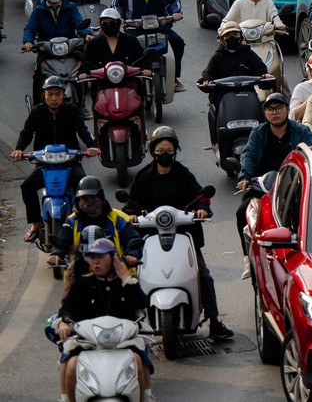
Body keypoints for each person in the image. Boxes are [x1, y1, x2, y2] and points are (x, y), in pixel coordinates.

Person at [128, 127, 229, 339]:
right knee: (133, 276)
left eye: (169, 149)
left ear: (176, 151)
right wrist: (133, 216)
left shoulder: (183, 174)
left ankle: (214, 321)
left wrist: (202, 208)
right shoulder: (144, 177)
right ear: (153, 151)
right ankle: (132, 321)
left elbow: (201, 195)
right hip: (151, 238)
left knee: (204, 275)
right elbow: (131, 205)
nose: (165, 154)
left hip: (185, 235)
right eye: (161, 149)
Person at [53, 236, 151, 402]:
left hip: (122, 340)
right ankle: (66, 399)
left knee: (139, 360)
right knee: (70, 365)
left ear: (113, 258)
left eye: (100, 257)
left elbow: (142, 303)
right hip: (88, 341)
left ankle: (145, 397)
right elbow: (67, 306)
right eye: (92, 258)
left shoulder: (125, 284)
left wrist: (125, 276)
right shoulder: (82, 284)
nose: (95, 262)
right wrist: (65, 321)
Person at [14, 77, 96, 242]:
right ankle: (36, 224)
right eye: (49, 94)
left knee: (85, 186)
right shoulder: (37, 112)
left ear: (63, 95)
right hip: (45, 163)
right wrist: (19, 150)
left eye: (57, 94)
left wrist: (91, 146)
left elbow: (82, 130)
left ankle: (86, 221)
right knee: (27, 186)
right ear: (43, 94)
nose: (53, 98)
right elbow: (27, 133)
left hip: (70, 162)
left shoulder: (72, 110)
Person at [112, 0, 186, 87]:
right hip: (134, 29)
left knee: (178, 43)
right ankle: (126, 78)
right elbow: (117, 4)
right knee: (125, 50)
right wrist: (119, 18)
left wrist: (175, 12)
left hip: (160, 27)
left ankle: (174, 77)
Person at [47, 177, 137, 269]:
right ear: (78, 201)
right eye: (85, 199)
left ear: (101, 197)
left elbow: (133, 240)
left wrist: (132, 255)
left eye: (93, 197)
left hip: (115, 273)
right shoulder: (72, 221)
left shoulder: (119, 218)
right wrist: (56, 254)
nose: (89, 202)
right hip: (79, 274)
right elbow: (62, 242)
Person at [222, 0, 288, 91]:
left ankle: (285, 100)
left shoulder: (268, 2)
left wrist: (279, 25)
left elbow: (275, 16)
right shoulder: (239, 4)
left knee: (279, 73)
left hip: (265, 43)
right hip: (243, 44)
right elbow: (227, 20)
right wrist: (223, 29)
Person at [236, 94, 311, 192]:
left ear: (288, 109)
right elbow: (249, 155)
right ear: (265, 112)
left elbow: (310, 157)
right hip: (263, 187)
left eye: (279, 108)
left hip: (294, 187)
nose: (274, 113)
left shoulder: (302, 131)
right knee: (247, 206)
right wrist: (245, 177)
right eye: (270, 109)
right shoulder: (258, 133)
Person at [22, 0, 88, 55]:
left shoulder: (71, 7)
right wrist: (28, 41)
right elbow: (30, 28)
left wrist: (87, 34)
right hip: (47, 50)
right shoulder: (38, 10)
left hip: (69, 47)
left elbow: (78, 22)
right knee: (40, 65)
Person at [77, 9, 144, 78]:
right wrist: (83, 73)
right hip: (101, 85)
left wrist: (146, 69)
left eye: (112, 23)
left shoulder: (131, 41)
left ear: (119, 23)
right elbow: (87, 63)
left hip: (129, 83)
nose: (108, 26)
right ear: (100, 23)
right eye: (105, 23)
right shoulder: (93, 44)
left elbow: (141, 60)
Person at [199, 21, 270, 87]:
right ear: (222, 39)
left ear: (241, 37)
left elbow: (261, 71)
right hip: (222, 94)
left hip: (247, 93)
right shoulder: (218, 57)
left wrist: (265, 77)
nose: (232, 38)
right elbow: (208, 74)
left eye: (235, 34)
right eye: (227, 35)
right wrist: (206, 81)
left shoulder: (249, 54)